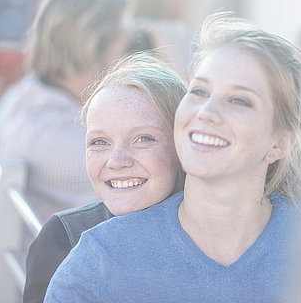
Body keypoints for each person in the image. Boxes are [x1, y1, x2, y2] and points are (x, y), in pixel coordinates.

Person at [45, 14, 301, 303]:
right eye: (200, 92)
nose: (206, 112)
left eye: (239, 101)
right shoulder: (102, 256)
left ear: (279, 143)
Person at [23, 53, 187, 303]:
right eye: (99, 142)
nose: (117, 160)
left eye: (143, 139)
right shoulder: (63, 239)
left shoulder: (216, 239)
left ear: (182, 145)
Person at [0, 0, 134, 221]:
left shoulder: (25, 94)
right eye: (127, 47)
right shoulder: (58, 139)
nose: (132, 60)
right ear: (94, 47)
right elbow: (169, 173)